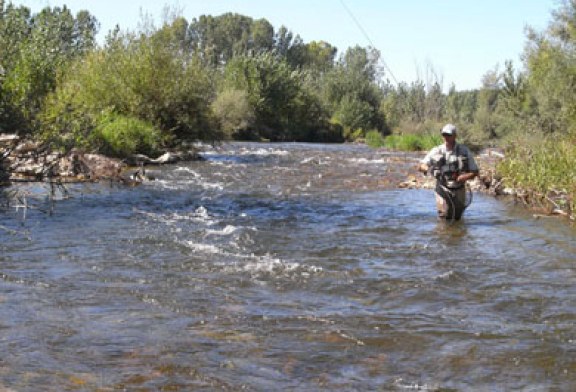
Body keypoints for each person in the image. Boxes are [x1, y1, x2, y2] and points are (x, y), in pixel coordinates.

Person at [418, 124, 479, 220]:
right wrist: (426, 168)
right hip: (442, 189)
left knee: (457, 217)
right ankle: (443, 234)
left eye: (448, 135)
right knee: (443, 216)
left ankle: (456, 234)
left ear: (455, 136)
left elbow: (475, 171)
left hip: (459, 189)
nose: (446, 137)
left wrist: (464, 177)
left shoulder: (464, 150)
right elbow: (421, 165)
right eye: (444, 135)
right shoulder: (436, 150)